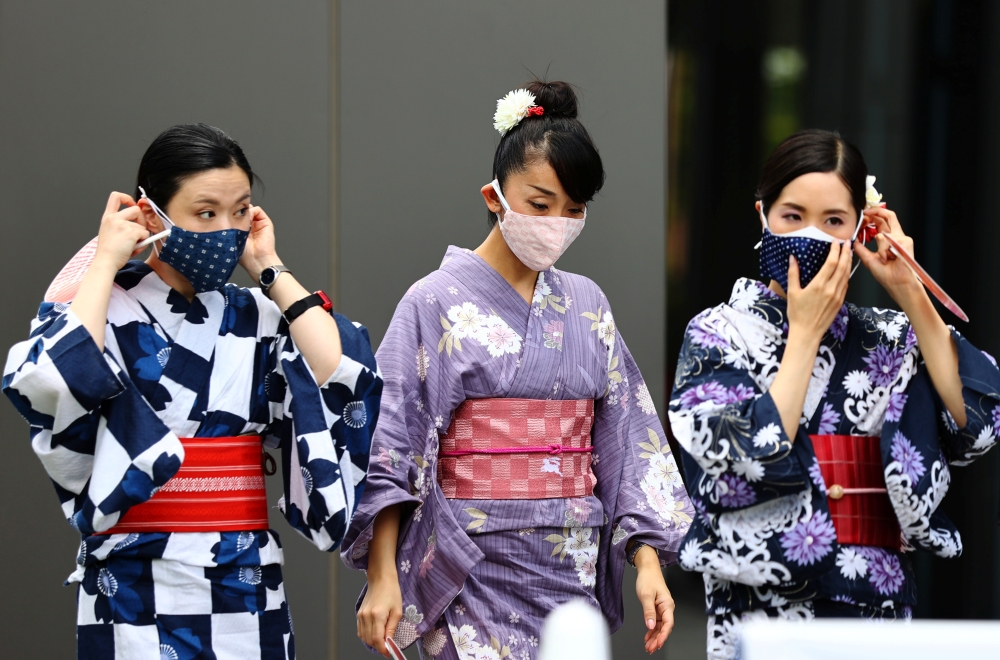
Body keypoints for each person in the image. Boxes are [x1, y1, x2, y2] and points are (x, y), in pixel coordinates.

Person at [342, 81, 693, 660]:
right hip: (469, 566)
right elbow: (392, 442)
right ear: (494, 195)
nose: (557, 221)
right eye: (539, 203)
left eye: (574, 209)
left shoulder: (588, 303)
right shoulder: (434, 301)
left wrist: (647, 560)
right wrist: (384, 575)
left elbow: (629, 439)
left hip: (570, 569)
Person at [3, 123, 381, 659]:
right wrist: (107, 261)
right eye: (206, 213)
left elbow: (344, 373)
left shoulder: (254, 313)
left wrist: (268, 268)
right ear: (151, 213)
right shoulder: (102, 303)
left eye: (241, 210)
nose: (226, 229)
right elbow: (54, 379)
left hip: (243, 573)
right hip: (132, 572)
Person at [668, 129, 1000, 658]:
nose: (811, 235)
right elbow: (743, 456)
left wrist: (911, 294)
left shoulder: (888, 336)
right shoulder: (718, 332)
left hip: (875, 598)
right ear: (763, 216)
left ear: (860, 229)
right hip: (760, 602)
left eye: (834, 222)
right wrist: (803, 334)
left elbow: (978, 425)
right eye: (792, 216)